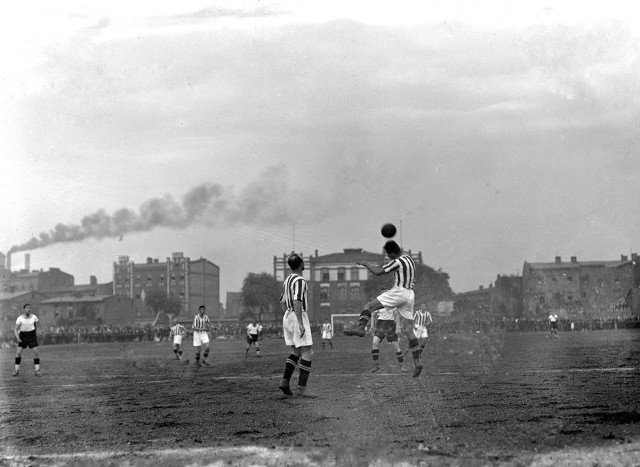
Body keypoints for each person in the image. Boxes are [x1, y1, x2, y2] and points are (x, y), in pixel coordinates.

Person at [344, 240, 423, 377]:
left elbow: (378, 272)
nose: (388, 256)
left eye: (388, 254)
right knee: (409, 331)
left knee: (369, 306)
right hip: (410, 294)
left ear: (392, 252)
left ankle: (360, 328)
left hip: (399, 291)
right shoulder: (409, 259)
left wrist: (366, 264)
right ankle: (417, 362)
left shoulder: (397, 261)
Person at [278, 254, 316, 398]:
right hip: (297, 315)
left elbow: (282, 301)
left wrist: (288, 316)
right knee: (307, 352)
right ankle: (301, 389)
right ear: (300, 264)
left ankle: (285, 382)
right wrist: (299, 322)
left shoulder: (287, 280)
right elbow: (298, 301)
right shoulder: (300, 280)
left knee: (296, 352)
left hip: (288, 315)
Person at [370, 308, 407, 373]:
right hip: (380, 324)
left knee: (395, 345)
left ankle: (402, 366)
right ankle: (375, 365)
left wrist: (398, 326)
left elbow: (397, 315)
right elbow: (373, 315)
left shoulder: (392, 303)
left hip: (390, 325)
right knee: (374, 343)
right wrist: (372, 326)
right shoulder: (380, 304)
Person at [13, 304, 41, 377]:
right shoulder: (20, 318)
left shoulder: (34, 317)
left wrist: (36, 333)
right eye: (27, 308)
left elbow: (36, 325)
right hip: (23, 336)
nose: (29, 309)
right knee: (18, 353)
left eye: (30, 308)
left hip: (32, 335)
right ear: (24, 309)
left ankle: (37, 371)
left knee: (36, 352)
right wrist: (18, 338)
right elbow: (15, 329)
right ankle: (16, 370)